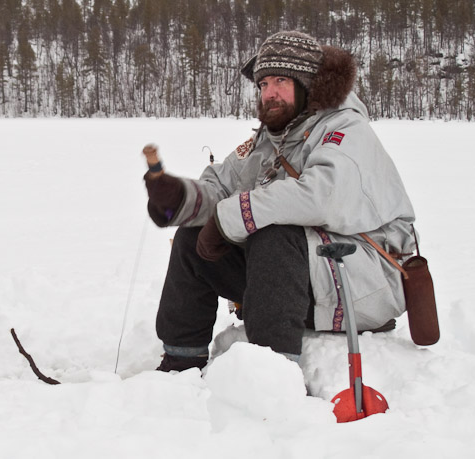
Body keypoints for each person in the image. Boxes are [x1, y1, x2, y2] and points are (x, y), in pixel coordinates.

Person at [143, 31, 416, 372]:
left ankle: (273, 375)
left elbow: (319, 198)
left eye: (280, 81)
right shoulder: (271, 139)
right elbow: (220, 187)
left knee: (275, 234)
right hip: (305, 279)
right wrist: (178, 198)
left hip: (363, 283)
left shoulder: (346, 130)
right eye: (262, 84)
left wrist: (230, 217)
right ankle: (180, 361)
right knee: (191, 237)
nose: (268, 93)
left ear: (308, 85)